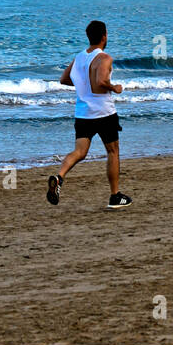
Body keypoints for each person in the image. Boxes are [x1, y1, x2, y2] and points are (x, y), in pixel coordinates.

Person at [47, 19, 131, 210]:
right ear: (104, 36)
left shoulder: (78, 57)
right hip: (103, 113)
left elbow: (64, 79)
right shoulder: (105, 58)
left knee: (80, 152)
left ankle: (59, 177)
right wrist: (114, 87)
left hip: (83, 113)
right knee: (113, 151)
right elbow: (100, 81)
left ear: (88, 37)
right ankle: (115, 196)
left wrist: (82, 85)